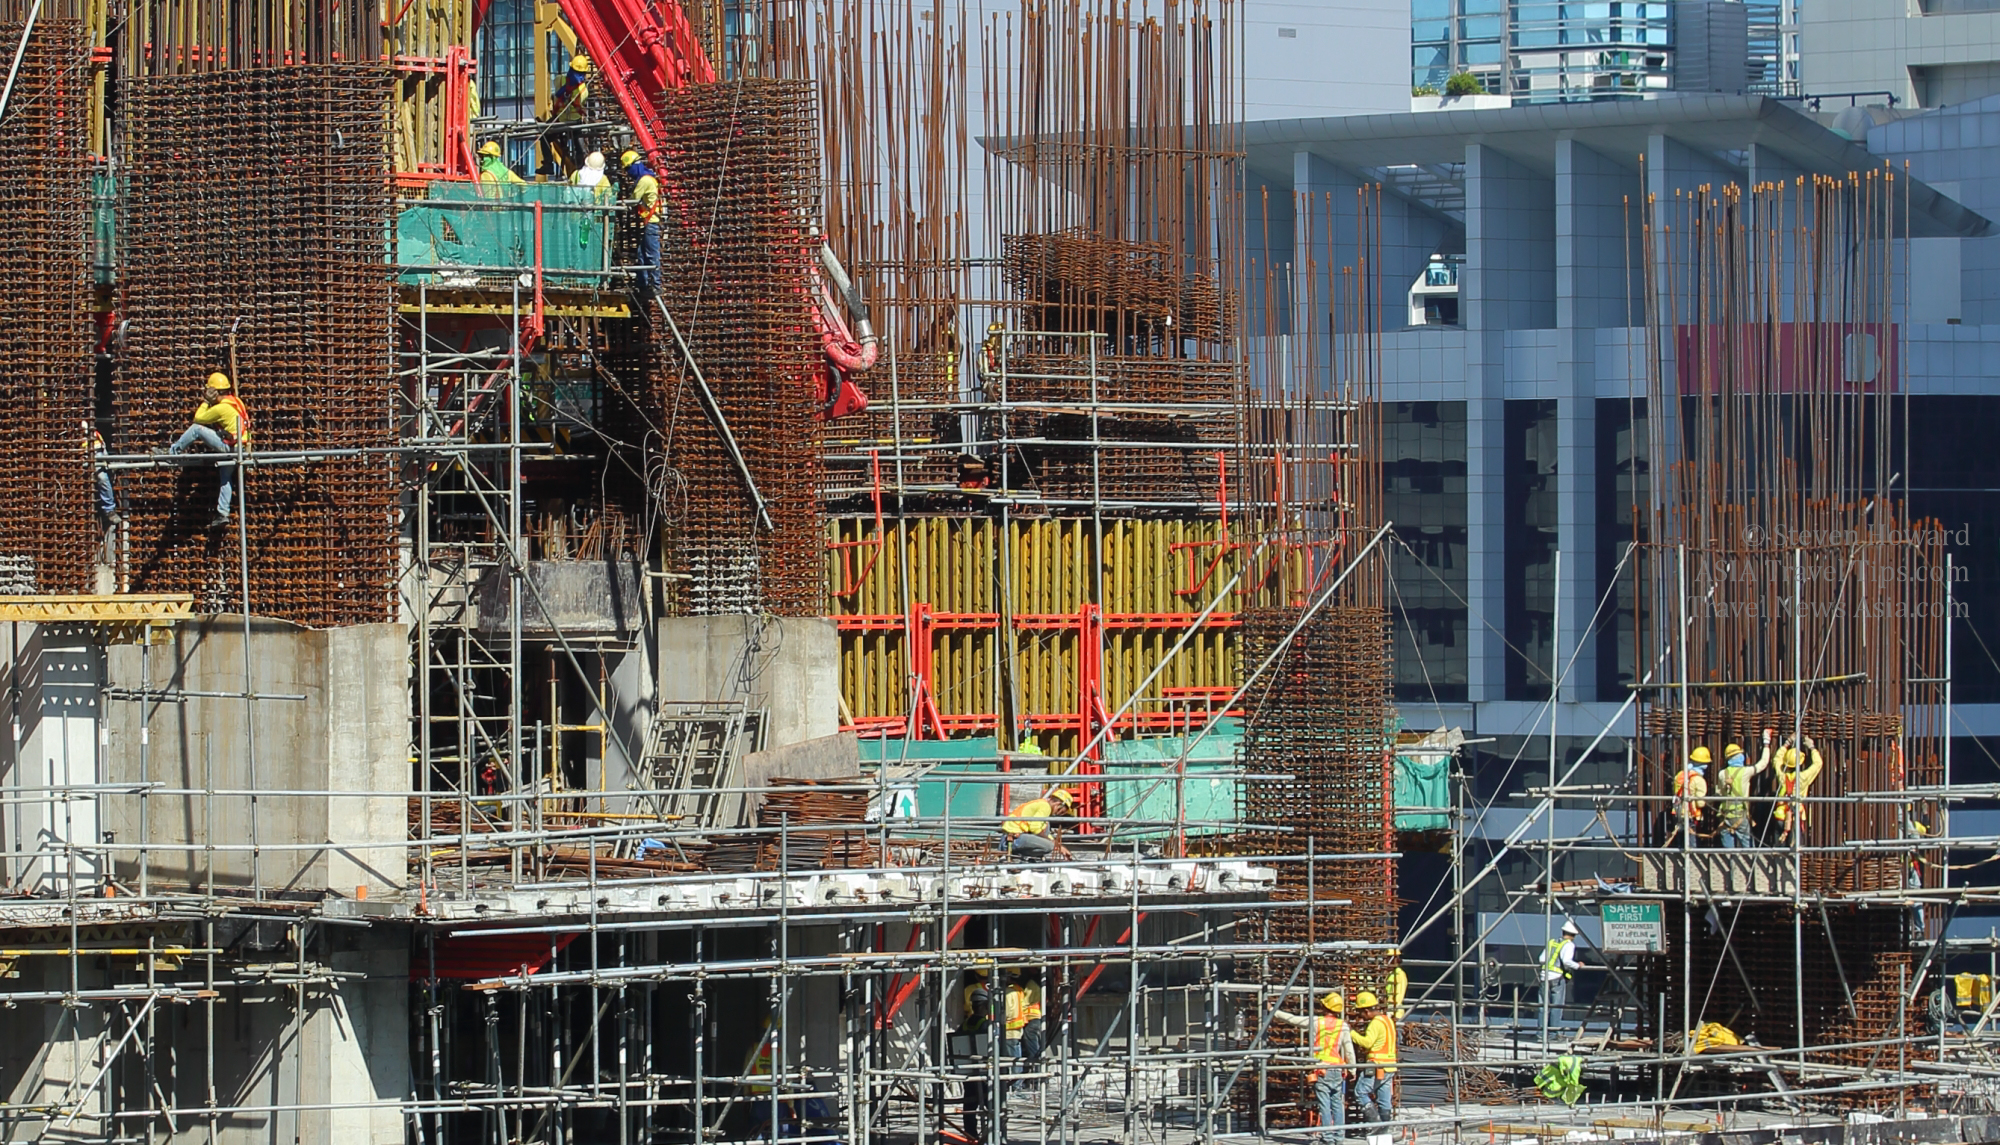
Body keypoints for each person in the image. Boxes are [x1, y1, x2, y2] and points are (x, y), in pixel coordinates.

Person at [166, 372, 250, 528]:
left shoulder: (222, 408)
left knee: (196, 429)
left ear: (215, 392)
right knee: (225, 479)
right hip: (241, 447)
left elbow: (198, 418)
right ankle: (223, 512)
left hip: (230, 447)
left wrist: (205, 402)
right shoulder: (236, 401)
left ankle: (173, 453)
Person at [1269, 991, 1352, 1142]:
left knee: (1325, 1105)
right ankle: (1339, 1138)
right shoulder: (1343, 1026)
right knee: (1337, 1105)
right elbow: (1349, 1050)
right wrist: (1352, 1069)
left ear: (1325, 1007)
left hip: (1321, 1069)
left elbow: (1294, 1020)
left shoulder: (1316, 1022)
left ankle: (1327, 1138)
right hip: (1337, 1070)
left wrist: (1274, 1011)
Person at [1714, 731, 1774, 849]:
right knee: (1748, 847)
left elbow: (1719, 792)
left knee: (1729, 851)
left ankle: (1731, 867)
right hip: (1740, 815)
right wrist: (1766, 743)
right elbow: (1763, 763)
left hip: (1725, 817)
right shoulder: (1745, 772)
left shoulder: (1722, 774)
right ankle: (1750, 865)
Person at [1347, 990, 1397, 1126]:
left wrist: (1351, 1033)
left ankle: (1375, 1123)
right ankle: (1385, 1127)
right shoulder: (1388, 1020)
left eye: (1361, 1013)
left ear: (1367, 1011)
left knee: (1360, 1092)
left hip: (1376, 1065)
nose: (1361, 1017)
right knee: (1384, 1099)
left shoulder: (1375, 1023)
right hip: (1390, 1066)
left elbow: (1367, 1042)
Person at [620, 149, 661, 294]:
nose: (628, 173)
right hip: (649, 222)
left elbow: (633, 199)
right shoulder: (648, 177)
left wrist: (619, 203)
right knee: (641, 254)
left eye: (628, 169)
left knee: (651, 254)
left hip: (652, 223)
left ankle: (656, 285)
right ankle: (643, 285)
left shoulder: (644, 180)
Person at [1771, 733, 1825, 843]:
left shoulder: (1782, 776)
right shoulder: (1803, 777)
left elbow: (1776, 760)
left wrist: (1787, 743)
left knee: (1779, 848)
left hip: (1780, 815)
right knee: (1796, 848)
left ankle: (1778, 859)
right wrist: (1812, 747)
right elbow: (1818, 763)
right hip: (1796, 815)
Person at [1001, 787, 1074, 859]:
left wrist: (1058, 845)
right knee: (1049, 846)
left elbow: (1045, 833)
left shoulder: (1042, 805)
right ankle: (1018, 855)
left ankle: (1021, 856)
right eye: (1061, 811)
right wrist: (1055, 845)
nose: (1058, 814)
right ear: (1058, 804)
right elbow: (1035, 828)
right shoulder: (1045, 807)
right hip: (1014, 838)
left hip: (1014, 837)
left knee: (1047, 827)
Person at [1539, 919, 1584, 1034]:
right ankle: (1553, 1034)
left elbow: (1541, 959)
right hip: (1556, 979)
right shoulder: (1569, 945)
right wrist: (1578, 966)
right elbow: (1566, 961)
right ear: (1573, 935)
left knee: (1543, 1007)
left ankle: (1540, 1034)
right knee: (1556, 1007)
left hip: (1544, 977)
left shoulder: (1551, 942)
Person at [1674, 747, 1711, 844]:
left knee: (1681, 844)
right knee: (1691, 844)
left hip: (1678, 814)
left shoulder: (1680, 775)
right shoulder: (1699, 780)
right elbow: (1700, 803)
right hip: (1690, 815)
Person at [85, 420, 117, 523]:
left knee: (104, 478)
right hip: (84, 456)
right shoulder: (77, 431)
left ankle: (109, 509)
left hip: (98, 454)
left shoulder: (96, 434)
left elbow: (102, 449)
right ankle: (108, 509)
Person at [1020, 972, 1046, 1063]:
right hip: (1039, 1017)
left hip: (1032, 1018)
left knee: (1031, 1044)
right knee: (1037, 1043)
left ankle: (1035, 1065)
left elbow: (1025, 1002)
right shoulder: (1042, 983)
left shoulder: (1032, 984)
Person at [1385, 950, 1409, 1020]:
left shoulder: (1399, 974)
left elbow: (1399, 996)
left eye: (1387, 958)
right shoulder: (1390, 974)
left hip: (1394, 1013)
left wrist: (1392, 1012)